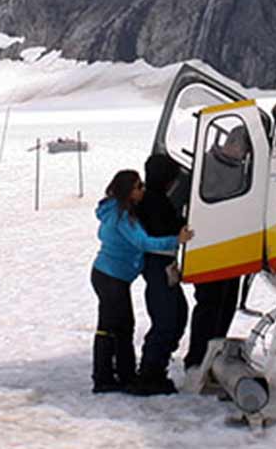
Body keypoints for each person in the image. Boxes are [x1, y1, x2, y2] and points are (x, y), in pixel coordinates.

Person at [92, 169, 192, 394]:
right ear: (129, 191)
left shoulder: (116, 210)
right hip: (111, 277)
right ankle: (104, 378)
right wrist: (177, 240)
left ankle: (121, 375)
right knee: (113, 327)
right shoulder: (122, 217)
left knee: (120, 326)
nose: (142, 191)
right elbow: (143, 242)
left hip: (111, 275)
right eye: (139, 187)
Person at [133, 153, 189, 394]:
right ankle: (150, 374)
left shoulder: (155, 198)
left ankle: (156, 368)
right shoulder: (154, 202)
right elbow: (162, 231)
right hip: (158, 265)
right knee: (167, 319)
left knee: (176, 314)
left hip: (162, 265)